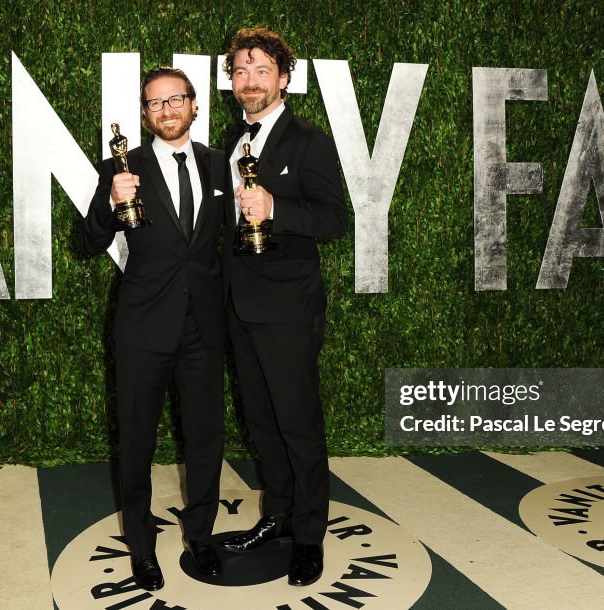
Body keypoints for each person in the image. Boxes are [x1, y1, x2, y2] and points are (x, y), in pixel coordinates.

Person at [82, 66, 229, 591]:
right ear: (145, 114)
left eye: (176, 100)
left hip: (204, 330)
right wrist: (111, 205)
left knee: (206, 438)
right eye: (155, 104)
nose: (166, 110)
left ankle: (203, 535)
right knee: (137, 443)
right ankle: (142, 549)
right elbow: (86, 242)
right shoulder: (123, 167)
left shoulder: (222, 165)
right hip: (143, 327)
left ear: (194, 105)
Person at [218, 27, 348, 586]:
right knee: (260, 422)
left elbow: (335, 220)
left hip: (289, 307)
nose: (250, 81)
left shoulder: (309, 141)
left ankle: (310, 537)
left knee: (297, 423)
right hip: (237, 306)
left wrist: (276, 208)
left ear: (285, 78)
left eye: (261, 71)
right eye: (240, 72)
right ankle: (276, 516)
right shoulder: (228, 138)